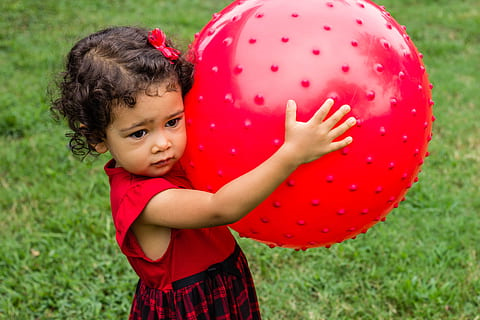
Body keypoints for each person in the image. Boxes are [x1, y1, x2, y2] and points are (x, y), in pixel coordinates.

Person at [51, 26, 356, 320]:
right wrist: (291, 154)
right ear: (97, 138)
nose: (163, 143)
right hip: (190, 306)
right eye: (139, 133)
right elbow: (219, 209)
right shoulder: (142, 199)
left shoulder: (172, 160)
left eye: (172, 121)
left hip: (220, 282)